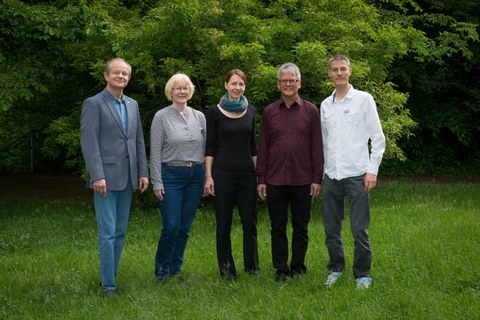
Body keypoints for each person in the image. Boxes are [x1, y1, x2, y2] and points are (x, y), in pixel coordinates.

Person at [80, 58, 149, 296]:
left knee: (119, 232)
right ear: (106, 76)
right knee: (107, 232)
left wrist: (143, 172)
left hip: (128, 177)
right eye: (116, 73)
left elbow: (138, 140)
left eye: (125, 74)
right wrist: (97, 175)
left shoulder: (132, 104)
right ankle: (108, 285)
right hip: (105, 180)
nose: (121, 77)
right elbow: (89, 143)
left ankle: (111, 276)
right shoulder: (93, 104)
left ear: (129, 78)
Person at [320, 54, 386, 289]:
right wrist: (321, 174)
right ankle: (336, 268)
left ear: (350, 72)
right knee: (331, 229)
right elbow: (325, 141)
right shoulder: (325, 105)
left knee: (359, 228)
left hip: (358, 175)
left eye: (343, 69)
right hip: (331, 176)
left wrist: (372, 171)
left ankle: (362, 275)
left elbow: (378, 139)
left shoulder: (364, 100)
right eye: (335, 70)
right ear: (329, 74)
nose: (339, 73)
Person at [256, 63, 324, 282]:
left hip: (302, 179)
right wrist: (261, 179)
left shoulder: (311, 110)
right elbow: (263, 146)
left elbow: (317, 146)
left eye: (292, 80)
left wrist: (317, 178)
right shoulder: (269, 112)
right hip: (275, 179)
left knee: (301, 227)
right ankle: (281, 269)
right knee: (277, 227)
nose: (288, 84)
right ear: (278, 85)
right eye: (284, 81)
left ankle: (298, 267)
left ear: (299, 83)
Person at [203, 69, 259, 281]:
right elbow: (210, 146)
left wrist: (259, 176)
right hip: (223, 173)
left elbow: (253, 146)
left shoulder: (251, 111)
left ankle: (252, 267)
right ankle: (227, 270)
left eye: (241, 84)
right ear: (226, 85)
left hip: (247, 173)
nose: (237, 87)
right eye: (233, 83)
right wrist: (208, 176)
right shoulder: (214, 112)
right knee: (224, 223)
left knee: (249, 222)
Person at [150, 73, 206, 283]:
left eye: (185, 88)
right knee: (171, 225)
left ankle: (176, 270)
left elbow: (206, 149)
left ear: (190, 91)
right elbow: (155, 151)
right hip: (171, 174)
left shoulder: (199, 117)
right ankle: (161, 272)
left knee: (184, 227)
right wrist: (157, 181)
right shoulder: (161, 117)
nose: (182, 91)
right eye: (177, 88)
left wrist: (207, 177)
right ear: (170, 92)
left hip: (195, 175)